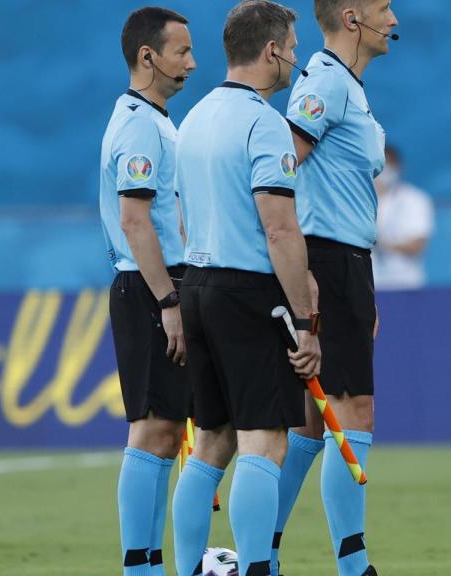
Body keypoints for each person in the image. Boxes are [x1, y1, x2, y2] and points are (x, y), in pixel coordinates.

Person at [169, 3, 321, 576]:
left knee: (210, 443)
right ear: (272, 50)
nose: (297, 56)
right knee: (265, 442)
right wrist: (303, 321)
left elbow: (183, 217)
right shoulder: (264, 122)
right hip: (247, 290)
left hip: (198, 285)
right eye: (293, 45)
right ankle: (257, 567)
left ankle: (187, 569)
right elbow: (278, 226)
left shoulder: (195, 117)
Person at [271, 1, 397, 575]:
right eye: (384, 7)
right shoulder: (324, 82)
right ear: (353, 17)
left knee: (312, 421)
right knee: (355, 409)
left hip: (346, 260)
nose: (393, 18)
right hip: (326, 258)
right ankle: (354, 566)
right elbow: (278, 168)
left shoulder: (347, 84)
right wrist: (304, 271)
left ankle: (259, 553)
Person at [98, 7, 196, 575]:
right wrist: (167, 301)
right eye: (181, 51)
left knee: (166, 427)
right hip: (148, 286)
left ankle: (152, 563)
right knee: (154, 426)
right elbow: (135, 221)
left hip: (162, 282)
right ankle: (140, 566)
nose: (192, 62)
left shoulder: (156, 120)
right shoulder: (138, 123)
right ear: (147, 56)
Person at [372, 145, 434, 290]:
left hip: (405, 283)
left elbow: (417, 245)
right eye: (380, 165)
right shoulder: (358, 200)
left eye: (389, 165)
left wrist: (380, 244)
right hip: (370, 283)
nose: (384, 171)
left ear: (398, 167)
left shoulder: (415, 199)